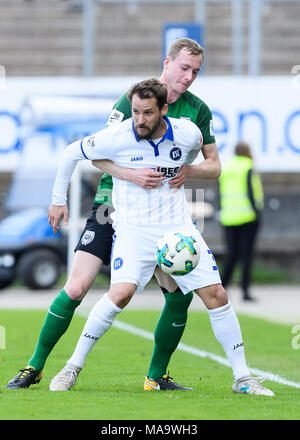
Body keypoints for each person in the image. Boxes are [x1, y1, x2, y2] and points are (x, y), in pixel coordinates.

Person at [7, 38, 215, 391]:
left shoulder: (198, 111)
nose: (189, 77)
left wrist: (190, 172)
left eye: (195, 71)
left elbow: (213, 164)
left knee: (179, 293)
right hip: (112, 205)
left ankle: (156, 377)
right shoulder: (134, 99)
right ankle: (34, 367)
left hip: (162, 216)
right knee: (76, 287)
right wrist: (129, 175)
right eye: (184, 68)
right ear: (167, 63)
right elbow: (99, 152)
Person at [45, 79, 273, 396]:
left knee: (217, 296)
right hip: (134, 229)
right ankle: (71, 368)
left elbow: (207, 163)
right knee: (121, 293)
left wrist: (188, 171)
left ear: (163, 110)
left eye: (147, 113)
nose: (139, 119)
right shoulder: (119, 135)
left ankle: (243, 378)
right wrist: (59, 200)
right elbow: (73, 153)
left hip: (177, 230)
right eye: (136, 111)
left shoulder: (187, 133)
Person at [219, 141, 264, 301]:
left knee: (231, 254)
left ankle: (222, 287)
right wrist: (258, 213)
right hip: (247, 217)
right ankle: (245, 291)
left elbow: (220, 192)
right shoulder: (248, 166)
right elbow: (251, 191)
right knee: (246, 255)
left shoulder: (227, 167)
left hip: (228, 217)